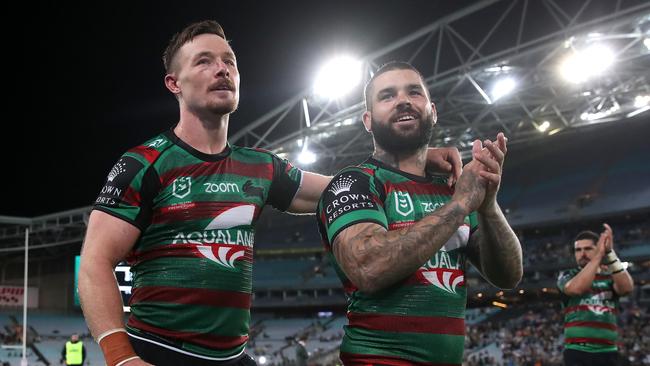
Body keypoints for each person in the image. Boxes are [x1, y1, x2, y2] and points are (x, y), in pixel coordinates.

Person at [78, 21, 461, 366]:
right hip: (159, 352)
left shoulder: (260, 166)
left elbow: (347, 188)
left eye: (229, 61)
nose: (222, 69)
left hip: (234, 357)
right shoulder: (145, 163)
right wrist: (121, 358)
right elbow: (95, 260)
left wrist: (415, 162)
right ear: (174, 83)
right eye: (204, 61)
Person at [316, 61, 523, 365]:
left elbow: (508, 276)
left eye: (414, 92)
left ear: (433, 111)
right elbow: (369, 268)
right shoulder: (354, 182)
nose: (403, 100)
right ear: (368, 120)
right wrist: (462, 204)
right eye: (387, 96)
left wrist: (488, 206)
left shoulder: (453, 187)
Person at [557, 224, 634, 366]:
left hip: (608, 351)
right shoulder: (567, 275)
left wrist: (609, 253)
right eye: (578, 250)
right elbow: (576, 289)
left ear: (599, 249)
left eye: (588, 249)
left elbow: (627, 288)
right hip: (578, 352)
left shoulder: (610, 275)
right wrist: (597, 257)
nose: (582, 253)